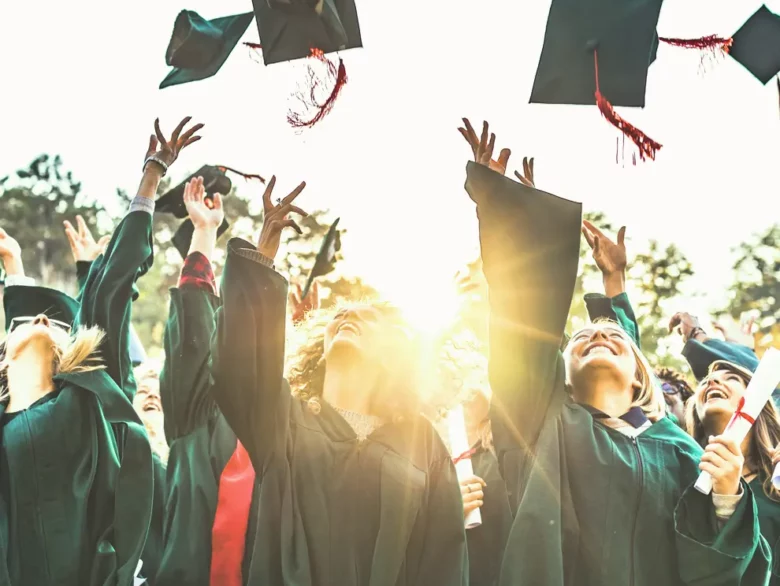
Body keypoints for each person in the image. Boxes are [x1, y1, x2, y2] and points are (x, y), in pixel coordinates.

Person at [458, 117, 770, 586]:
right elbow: (524, 325)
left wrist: (726, 498)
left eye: (614, 340)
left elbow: (720, 570)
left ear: (641, 377)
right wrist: (512, 216)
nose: (596, 336)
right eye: (580, 339)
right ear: (559, 374)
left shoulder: (681, 451)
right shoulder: (540, 423)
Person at [205, 175, 468, 585]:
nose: (346, 318)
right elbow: (239, 364)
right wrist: (263, 257)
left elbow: (443, 560)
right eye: (339, 317)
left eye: (366, 319)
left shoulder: (421, 441)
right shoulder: (281, 420)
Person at [0, 115, 201, 585]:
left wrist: (150, 177)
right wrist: (14, 268)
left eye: (52, 320)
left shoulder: (89, 402)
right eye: (29, 318)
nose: (44, 317)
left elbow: (107, 294)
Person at [686, 360, 780, 585]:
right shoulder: (681, 477)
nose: (712, 381)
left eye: (732, 378)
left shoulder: (775, 481)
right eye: (705, 382)